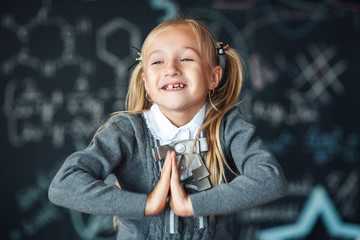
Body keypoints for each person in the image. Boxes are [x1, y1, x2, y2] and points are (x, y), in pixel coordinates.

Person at [48, 17, 287, 239]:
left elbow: (270, 179)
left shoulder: (229, 127)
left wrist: (190, 206)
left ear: (213, 77)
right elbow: (64, 185)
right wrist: (148, 204)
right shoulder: (126, 131)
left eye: (186, 58)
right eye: (158, 61)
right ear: (146, 84)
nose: (171, 68)